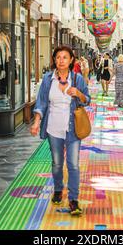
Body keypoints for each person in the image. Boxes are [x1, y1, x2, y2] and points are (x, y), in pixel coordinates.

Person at [30, 45, 91, 216]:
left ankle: (73, 199)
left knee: (73, 165)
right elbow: (41, 102)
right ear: (54, 60)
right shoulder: (48, 79)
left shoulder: (77, 79)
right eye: (58, 57)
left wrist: (78, 93)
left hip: (73, 129)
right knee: (57, 163)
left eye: (65, 57)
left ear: (71, 60)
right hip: (53, 128)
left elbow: (87, 100)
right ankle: (58, 188)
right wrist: (36, 123)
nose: (61, 60)